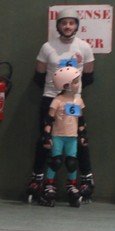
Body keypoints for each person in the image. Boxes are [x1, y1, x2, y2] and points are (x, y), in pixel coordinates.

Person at [26, 7, 96, 203]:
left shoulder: (84, 47)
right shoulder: (48, 47)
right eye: (64, 23)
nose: (67, 26)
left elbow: (89, 76)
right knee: (45, 139)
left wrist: (71, 93)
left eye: (71, 23)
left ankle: (85, 179)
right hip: (51, 97)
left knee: (79, 139)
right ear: (58, 26)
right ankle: (38, 179)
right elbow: (39, 75)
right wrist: (57, 92)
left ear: (76, 26)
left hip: (74, 100)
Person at [38, 66, 86, 207]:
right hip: (58, 136)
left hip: (72, 137)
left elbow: (81, 120)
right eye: (75, 82)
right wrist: (47, 136)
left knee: (72, 163)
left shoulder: (78, 101)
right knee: (56, 161)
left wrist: (83, 134)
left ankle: (72, 185)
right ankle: (48, 185)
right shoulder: (57, 100)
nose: (78, 85)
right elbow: (49, 119)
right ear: (66, 85)